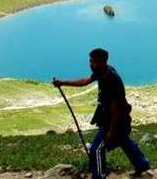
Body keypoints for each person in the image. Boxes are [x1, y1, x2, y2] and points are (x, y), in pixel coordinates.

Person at [53, 49, 150, 179]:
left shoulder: (111, 80)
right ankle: (142, 165)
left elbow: (116, 109)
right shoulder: (102, 72)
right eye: (90, 61)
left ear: (103, 62)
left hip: (115, 120)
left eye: (94, 62)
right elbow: (85, 81)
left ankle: (99, 176)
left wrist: (111, 130)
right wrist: (63, 83)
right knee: (124, 140)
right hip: (113, 118)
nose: (91, 64)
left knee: (96, 149)